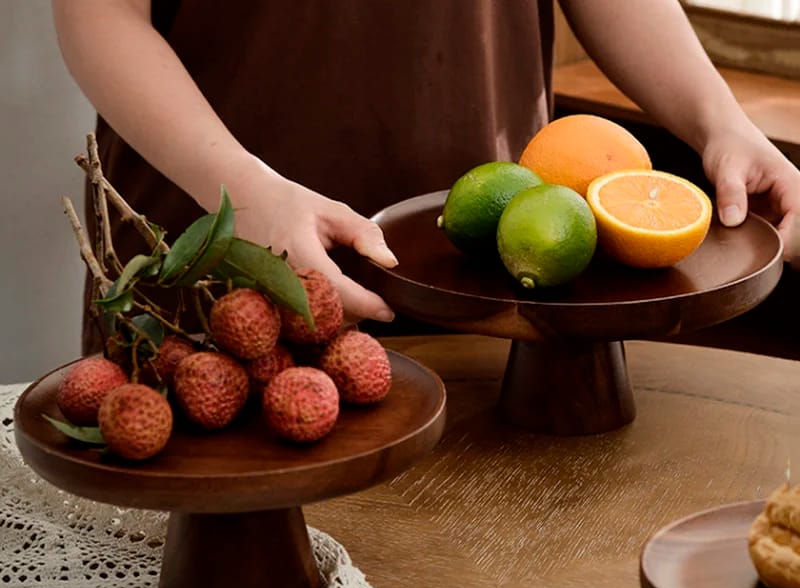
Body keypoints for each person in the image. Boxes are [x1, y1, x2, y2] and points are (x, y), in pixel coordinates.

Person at [52, 0, 800, 356]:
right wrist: (241, 191)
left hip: (483, 275)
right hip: (215, 264)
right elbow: (99, 15)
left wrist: (719, 121)